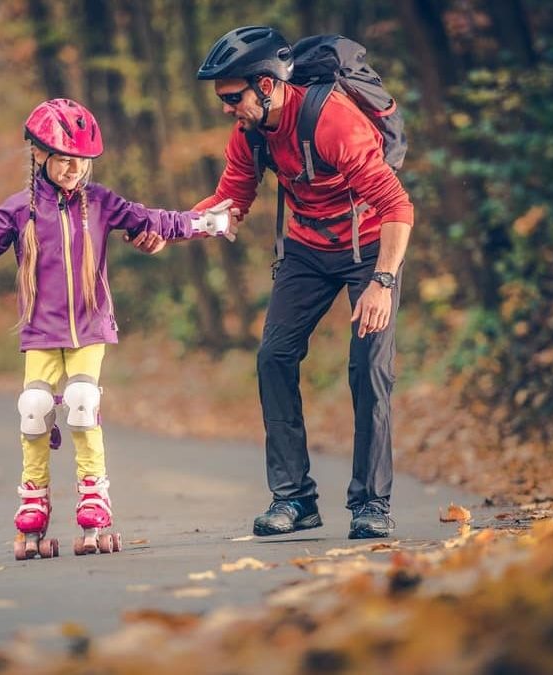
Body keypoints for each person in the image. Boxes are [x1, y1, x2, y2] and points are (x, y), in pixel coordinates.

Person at [0, 98, 236, 559]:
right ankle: (34, 498)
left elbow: (154, 220)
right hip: (41, 333)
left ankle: (94, 493)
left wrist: (207, 222)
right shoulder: (18, 211)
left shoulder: (101, 204)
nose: (75, 168)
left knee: (80, 401)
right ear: (39, 155)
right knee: (34, 408)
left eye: (82, 161)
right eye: (64, 158)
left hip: (90, 329)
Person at [192, 26, 415, 539]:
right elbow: (232, 200)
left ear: (267, 86)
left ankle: (371, 505)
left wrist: (382, 280)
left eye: (232, 97)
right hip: (306, 251)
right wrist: (172, 228)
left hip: (368, 251)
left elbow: (398, 206)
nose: (227, 108)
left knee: (369, 371)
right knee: (273, 358)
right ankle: (294, 499)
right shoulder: (251, 132)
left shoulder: (333, 121)